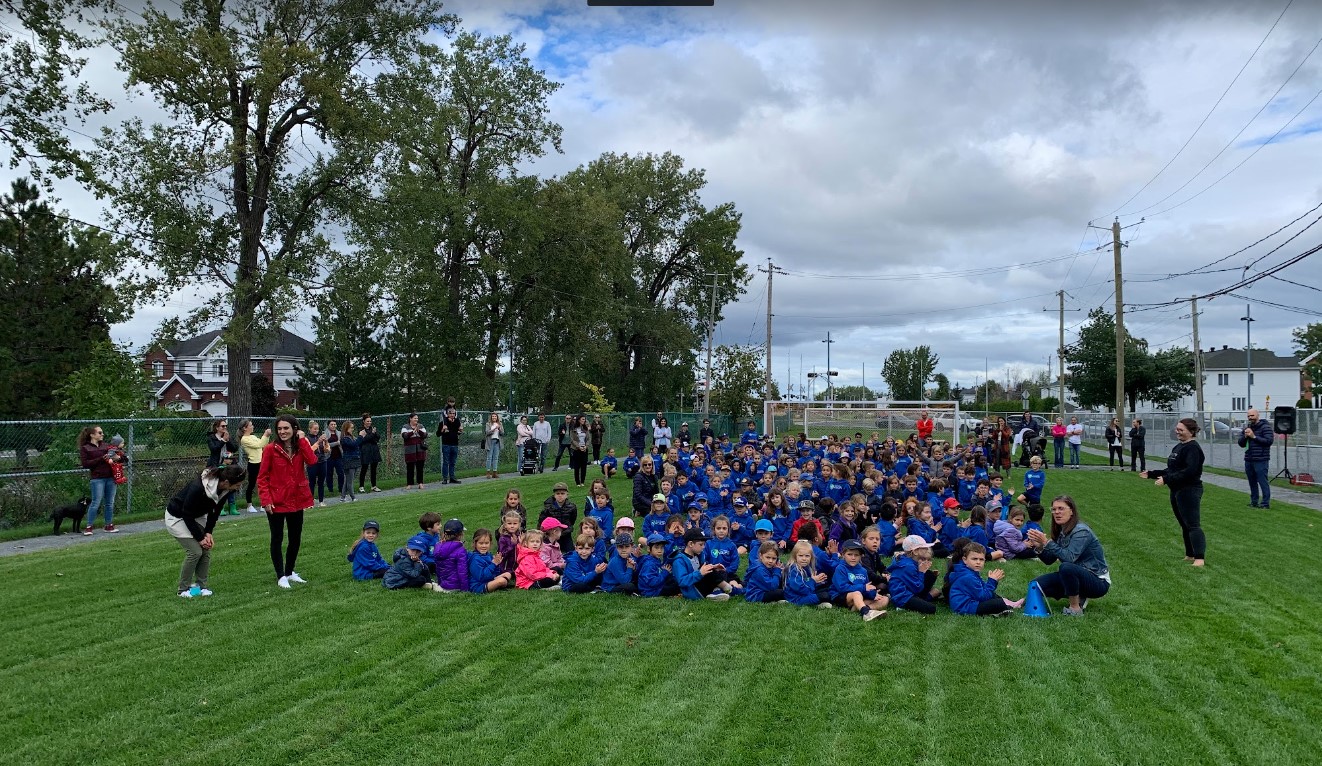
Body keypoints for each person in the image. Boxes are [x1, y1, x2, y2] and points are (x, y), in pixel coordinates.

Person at [166, 464, 246, 598]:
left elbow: (215, 512)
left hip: (196, 516)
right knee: (195, 551)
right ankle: (182, 590)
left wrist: (208, 533)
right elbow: (187, 514)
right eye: (237, 485)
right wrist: (199, 538)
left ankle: (201, 586)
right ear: (226, 482)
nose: (238, 488)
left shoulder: (227, 490)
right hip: (177, 517)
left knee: (206, 550)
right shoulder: (199, 487)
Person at [257, 416, 318, 589]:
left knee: (295, 537)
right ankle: (280, 575)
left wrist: (303, 439)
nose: (283, 432)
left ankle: (289, 572)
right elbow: (262, 477)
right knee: (277, 538)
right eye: (280, 429)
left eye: (286, 428)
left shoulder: (300, 447)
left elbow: (312, 461)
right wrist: (266, 499)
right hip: (276, 500)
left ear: (294, 429)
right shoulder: (270, 449)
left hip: (296, 499)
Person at [1027, 495, 1111, 615]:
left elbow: (1069, 558)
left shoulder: (1081, 531)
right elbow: (1049, 560)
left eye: (1061, 508)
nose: (1057, 512)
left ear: (1071, 511)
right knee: (1036, 585)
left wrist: (1047, 542)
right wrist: (1039, 546)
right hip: (1074, 575)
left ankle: (1075, 608)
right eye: (1054, 509)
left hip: (1097, 581)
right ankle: (1080, 595)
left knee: (1066, 567)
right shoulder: (1062, 531)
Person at [1141, 418, 1207, 566]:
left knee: (1192, 524)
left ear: (1191, 432)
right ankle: (1190, 554)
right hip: (1177, 490)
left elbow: (1189, 471)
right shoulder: (1178, 447)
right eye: (1177, 429)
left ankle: (1199, 558)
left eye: (1181, 430)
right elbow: (1172, 470)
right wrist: (1152, 474)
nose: (1177, 432)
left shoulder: (1193, 448)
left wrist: (1166, 479)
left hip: (1189, 490)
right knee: (1184, 524)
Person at [948, 542, 1023, 616]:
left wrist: (991, 583)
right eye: (974, 559)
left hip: (972, 603)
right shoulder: (967, 576)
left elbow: (983, 590)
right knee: (997, 603)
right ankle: (1004, 607)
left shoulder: (969, 572)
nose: (978, 562)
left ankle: (1010, 604)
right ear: (965, 560)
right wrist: (992, 581)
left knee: (994, 596)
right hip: (965, 608)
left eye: (981, 559)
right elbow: (982, 597)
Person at [78, 425, 125, 534]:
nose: (102, 434)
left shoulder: (106, 446)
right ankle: (89, 526)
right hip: (97, 478)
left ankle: (109, 525)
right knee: (96, 502)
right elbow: (85, 464)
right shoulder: (85, 448)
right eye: (99, 433)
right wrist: (101, 459)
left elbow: (120, 456)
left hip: (110, 477)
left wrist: (119, 458)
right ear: (92, 435)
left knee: (109, 502)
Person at [829, 540, 888, 620]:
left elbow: (867, 586)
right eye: (850, 554)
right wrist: (863, 588)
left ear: (861, 556)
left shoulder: (863, 570)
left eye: (856, 555)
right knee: (856, 593)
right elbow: (842, 588)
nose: (853, 557)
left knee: (885, 599)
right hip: (840, 596)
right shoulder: (840, 568)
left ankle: (861, 608)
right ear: (843, 555)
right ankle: (866, 613)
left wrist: (872, 594)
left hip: (859, 597)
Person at [1238, 408, 1273, 509]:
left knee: (1262, 481)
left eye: (1252, 416)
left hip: (1261, 459)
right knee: (1252, 481)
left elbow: (1268, 441)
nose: (1250, 418)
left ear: (1258, 415)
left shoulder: (1265, 427)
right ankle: (1254, 501)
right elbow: (1241, 443)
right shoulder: (1247, 428)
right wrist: (1245, 436)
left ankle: (1265, 503)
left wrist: (1254, 437)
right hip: (1249, 459)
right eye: (1248, 416)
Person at [206, 418, 241, 516]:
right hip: (217, 465)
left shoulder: (228, 436)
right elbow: (214, 449)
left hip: (229, 465)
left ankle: (232, 506)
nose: (225, 428)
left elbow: (234, 448)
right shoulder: (211, 438)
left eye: (226, 426)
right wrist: (222, 440)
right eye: (222, 426)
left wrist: (228, 440)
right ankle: (219, 507)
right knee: (219, 486)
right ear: (217, 428)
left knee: (231, 485)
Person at [467, 528, 515, 594]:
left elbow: (496, 573)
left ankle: (501, 584)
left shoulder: (489, 555)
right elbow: (482, 577)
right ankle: (502, 584)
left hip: (489, 580)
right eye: (481, 543)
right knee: (501, 581)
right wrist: (493, 564)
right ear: (475, 543)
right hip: (479, 586)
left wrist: (498, 564)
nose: (484, 546)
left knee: (508, 573)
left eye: (486, 543)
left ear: (490, 543)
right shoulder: (475, 559)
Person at [238, 420, 272, 513]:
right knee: (252, 484)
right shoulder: (244, 439)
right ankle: (249, 505)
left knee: (264, 483)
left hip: (262, 462)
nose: (252, 426)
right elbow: (258, 444)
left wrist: (267, 436)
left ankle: (263, 504)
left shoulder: (253, 436)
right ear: (245, 428)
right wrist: (265, 434)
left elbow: (263, 444)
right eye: (250, 425)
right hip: (253, 463)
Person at [433, 519, 469, 593]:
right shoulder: (460, 550)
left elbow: (438, 569)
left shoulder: (437, 547)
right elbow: (462, 572)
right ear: (460, 534)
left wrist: (440, 583)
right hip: (455, 586)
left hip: (443, 585)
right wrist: (465, 589)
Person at [306, 420, 330, 506]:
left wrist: (326, 442)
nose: (316, 431)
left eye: (317, 429)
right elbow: (310, 450)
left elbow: (327, 450)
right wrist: (318, 442)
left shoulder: (320, 437)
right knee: (311, 483)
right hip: (312, 463)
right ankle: (310, 502)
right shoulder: (307, 438)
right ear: (310, 429)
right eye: (314, 429)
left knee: (321, 482)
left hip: (322, 461)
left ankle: (321, 501)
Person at [401, 413, 428, 489]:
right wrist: (413, 431)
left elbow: (425, 435)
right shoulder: (405, 427)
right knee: (410, 468)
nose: (416, 420)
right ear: (410, 418)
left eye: (417, 418)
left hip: (420, 450)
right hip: (410, 451)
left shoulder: (421, 426)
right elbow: (405, 436)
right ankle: (409, 484)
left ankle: (420, 483)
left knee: (420, 467)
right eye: (415, 418)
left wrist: (418, 431)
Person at [338, 419, 362, 502]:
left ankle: (343, 497)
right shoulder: (345, 439)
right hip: (349, 461)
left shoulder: (352, 437)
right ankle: (353, 497)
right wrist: (360, 436)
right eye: (351, 428)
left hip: (354, 460)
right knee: (350, 481)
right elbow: (353, 445)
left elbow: (358, 444)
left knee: (347, 480)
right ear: (346, 429)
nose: (353, 429)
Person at [357, 414, 382, 493]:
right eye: (367, 421)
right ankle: (361, 486)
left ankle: (374, 486)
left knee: (374, 469)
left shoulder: (373, 429)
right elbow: (364, 440)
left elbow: (377, 438)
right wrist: (372, 435)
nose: (369, 422)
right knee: (364, 469)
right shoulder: (361, 430)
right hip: (365, 451)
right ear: (363, 421)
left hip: (374, 450)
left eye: (370, 421)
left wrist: (373, 435)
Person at [438, 408, 461, 484]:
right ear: (447, 414)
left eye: (453, 413)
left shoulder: (457, 422)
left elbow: (458, 432)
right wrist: (442, 430)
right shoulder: (443, 422)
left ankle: (452, 477)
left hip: (455, 444)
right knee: (446, 462)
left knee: (453, 462)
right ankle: (445, 478)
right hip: (446, 445)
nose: (452, 415)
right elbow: (438, 434)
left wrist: (460, 430)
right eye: (450, 413)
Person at [567, 414, 591, 487]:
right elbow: (572, 439)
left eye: (584, 419)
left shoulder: (585, 429)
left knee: (584, 465)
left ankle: (582, 481)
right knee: (577, 466)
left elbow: (588, 438)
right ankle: (577, 482)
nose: (584, 421)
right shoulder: (573, 429)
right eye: (583, 419)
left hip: (584, 449)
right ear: (579, 420)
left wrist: (586, 446)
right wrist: (578, 446)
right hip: (576, 449)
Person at [323, 420, 343, 497]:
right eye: (332, 424)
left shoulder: (339, 433)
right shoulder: (325, 434)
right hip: (329, 457)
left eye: (335, 424)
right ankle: (330, 489)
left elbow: (341, 442)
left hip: (338, 456)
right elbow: (326, 445)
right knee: (329, 474)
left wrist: (339, 443)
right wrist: (336, 443)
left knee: (340, 473)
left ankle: (341, 488)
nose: (334, 426)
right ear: (328, 426)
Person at [483, 412, 504, 480]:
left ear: (497, 417)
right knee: (489, 457)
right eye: (493, 416)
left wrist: (499, 428)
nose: (494, 417)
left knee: (496, 458)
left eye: (495, 416)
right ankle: (488, 472)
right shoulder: (488, 424)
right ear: (491, 418)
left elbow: (502, 433)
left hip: (497, 442)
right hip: (490, 442)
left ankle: (495, 472)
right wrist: (494, 429)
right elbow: (487, 432)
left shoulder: (500, 424)